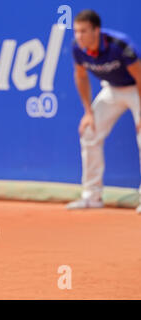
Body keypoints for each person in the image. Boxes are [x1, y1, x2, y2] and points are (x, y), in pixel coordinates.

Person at [66, 10, 141, 213]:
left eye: (83, 31)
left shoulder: (120, 45)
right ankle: (92, 196)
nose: (79, 36)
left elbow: (140, 77)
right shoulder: (77, 49)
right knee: (89, 132)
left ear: (96, 30)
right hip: (111, 90)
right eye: (76, 31)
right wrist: (88, 112)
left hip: (136, 89)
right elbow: (80, 77)